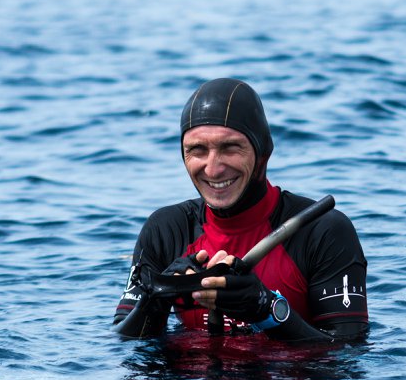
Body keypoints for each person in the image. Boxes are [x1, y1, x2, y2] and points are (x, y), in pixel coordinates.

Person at [115, 79, 368, 344]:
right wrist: (157, 297)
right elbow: (122, 344)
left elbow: (348, 355)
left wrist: (265, 308)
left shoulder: (322, 230)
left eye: (230, 148)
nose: (213, 169)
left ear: (262, 154)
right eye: (197, 150)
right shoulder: (166, 230)